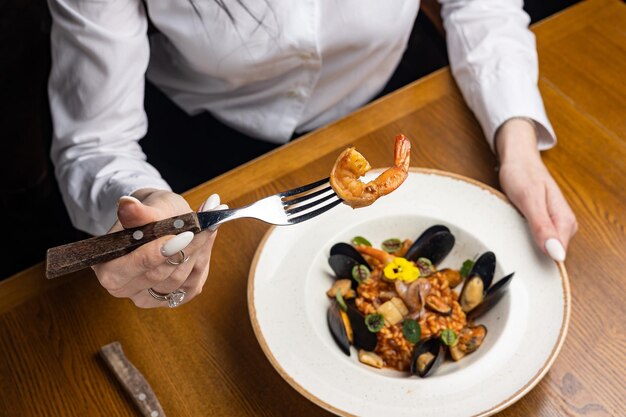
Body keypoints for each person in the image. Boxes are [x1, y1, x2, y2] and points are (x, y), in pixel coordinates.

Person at [46, 0, 577, 308]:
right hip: (202, 143)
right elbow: (95, 141)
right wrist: (144, 204)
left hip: (394, 100)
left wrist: (519, 147)